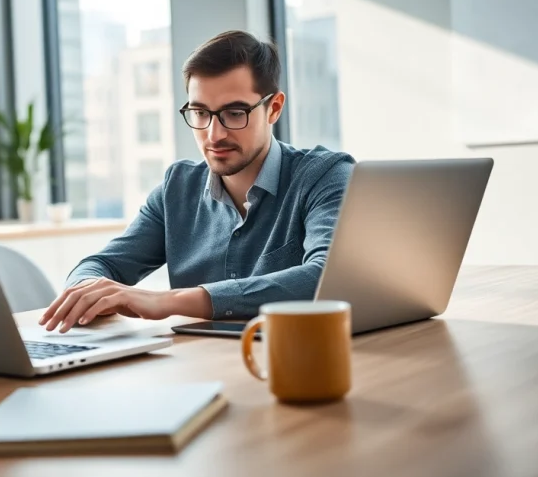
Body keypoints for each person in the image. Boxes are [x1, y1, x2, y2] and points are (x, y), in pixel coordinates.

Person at [39, 30, 354, 332]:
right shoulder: (177, 189)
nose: (214, 134)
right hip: (198, 361)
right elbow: (100, 266)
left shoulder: (326, 175)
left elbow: (328, 278)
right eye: (200, 113)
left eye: (235, 113)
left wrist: (169, 301)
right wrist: (88, 293)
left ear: (274, 108)